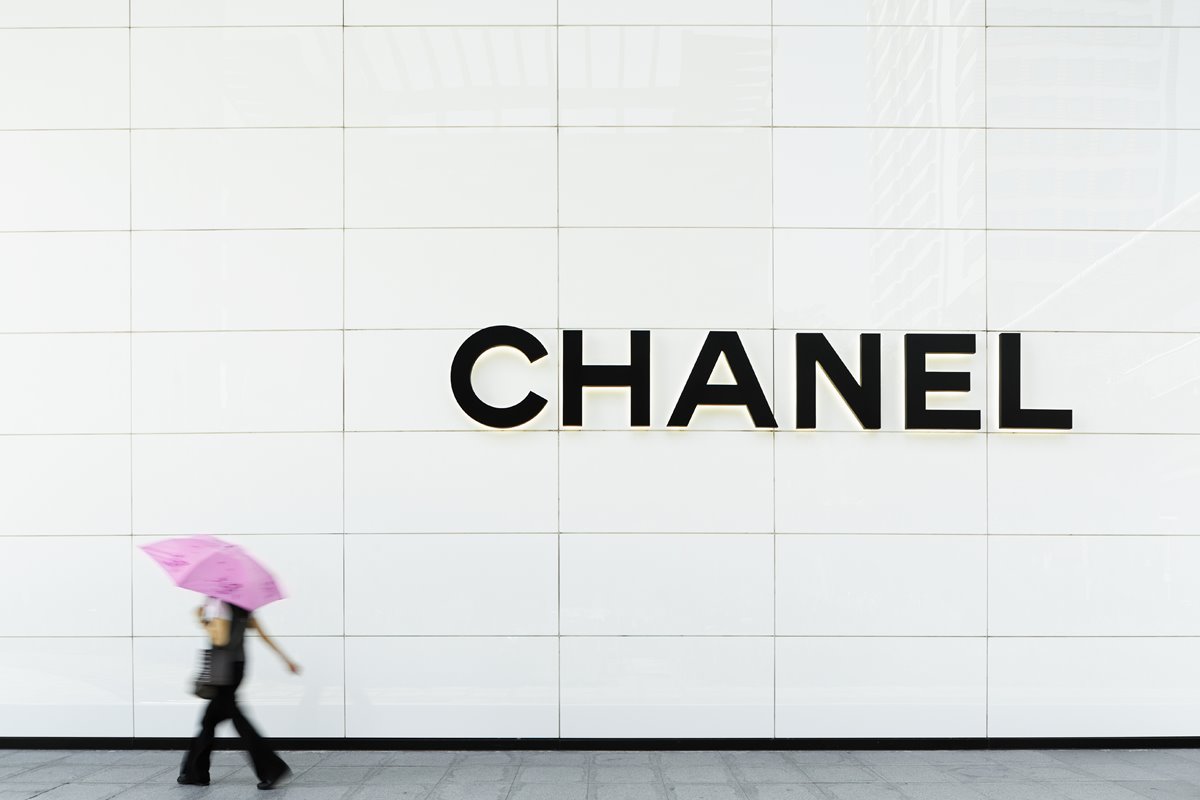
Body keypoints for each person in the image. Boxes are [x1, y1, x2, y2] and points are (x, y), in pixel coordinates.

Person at [178, 595, 300, 790]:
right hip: (238, 666)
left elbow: (220, 638)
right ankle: (193, 772)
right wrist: (285, 659)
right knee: (209, 721)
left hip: (222, 668)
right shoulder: (243, 604)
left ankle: (272, 769)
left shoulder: (218, 604)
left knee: (237, 720)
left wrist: (202, 619)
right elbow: (261, 633)